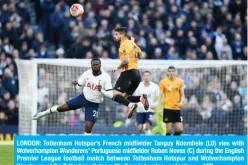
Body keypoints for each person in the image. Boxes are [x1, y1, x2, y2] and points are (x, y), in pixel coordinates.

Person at [32, 58, 113, 135]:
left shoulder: (106, 77)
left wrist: (101, 90)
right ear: (91, 65)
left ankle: (87, 144)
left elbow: (110, 94)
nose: (95, 66)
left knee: (88, 126)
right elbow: (78, 87)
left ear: (100, 65)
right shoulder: (86, 74)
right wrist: (75, 85)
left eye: (97, 64)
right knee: (61, 108)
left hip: (94, 103)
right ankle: (43, 113)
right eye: (93, 65)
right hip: (83, 98)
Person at [112, 27, 149, 118]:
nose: (114, 36)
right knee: (124, 97)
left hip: (128, 73)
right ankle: (141, 98)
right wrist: (133, 42)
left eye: (116, 34)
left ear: (122, 35)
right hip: (137, 74)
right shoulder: (131, 43)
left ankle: (131, 105)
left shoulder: (123, 45)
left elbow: (127, 60)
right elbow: (140, 53)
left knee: (116, 96)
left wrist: (118, 67)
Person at [158, 66, 185, 136]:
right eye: (169, 71)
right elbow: (160, 96)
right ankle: (168, 144)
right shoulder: (163, 82)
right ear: (167, 72)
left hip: (177, 108)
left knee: (180, 129)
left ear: (175, 72)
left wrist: (181, 102)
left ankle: (174, 141)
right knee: (169, 130)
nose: (171, 73)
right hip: (167, 108)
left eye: (173, 71)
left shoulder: (180, 82)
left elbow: (182, 95)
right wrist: (159, 108)